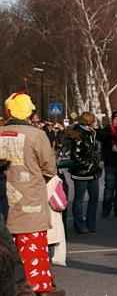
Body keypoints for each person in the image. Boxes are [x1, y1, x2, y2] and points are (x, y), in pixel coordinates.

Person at [1, 93, 64, 295]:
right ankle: (37, 286)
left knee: (6, 248)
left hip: (5, 199)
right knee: (33, 247)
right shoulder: (37, 135)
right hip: (30, 200)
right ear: (29, 112)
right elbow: (49, 168)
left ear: (8, 111)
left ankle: (12, 286)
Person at [62, 111, 102, 234]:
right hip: (81, 171)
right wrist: (88, 164)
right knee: (79, 198)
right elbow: (76, 155)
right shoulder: (77, 133)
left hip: (93, 170)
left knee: (94, 198)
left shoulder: (91, 132)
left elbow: (93, 151)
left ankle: (91, 224)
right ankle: (79, 225)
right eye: (93, 120)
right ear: (89, 121)